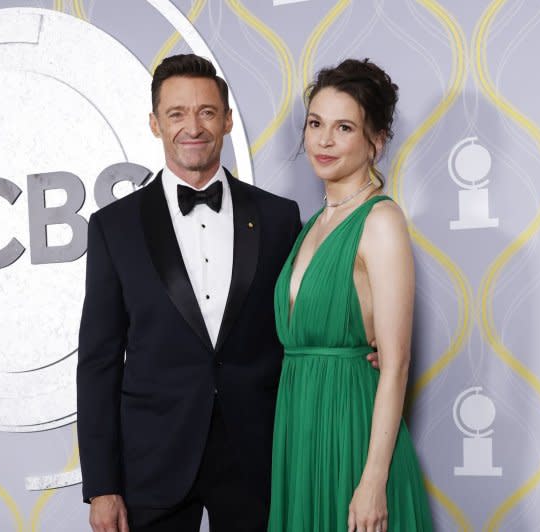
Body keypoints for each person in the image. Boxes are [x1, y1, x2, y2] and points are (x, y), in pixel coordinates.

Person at [77, 54, 302, 532]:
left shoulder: (280, 218)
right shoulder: (113, 228)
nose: (193, 127)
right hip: (152, 463)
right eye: (176, 113)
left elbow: (297, 325)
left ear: (227, 119)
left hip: (256, 458)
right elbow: (97, 362)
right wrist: (102, 485)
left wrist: (362, 345)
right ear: (155, 124)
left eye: (206, 111)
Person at [267, 58, 434, 532]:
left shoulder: (380, 222)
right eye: (316, 124)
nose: (323, 140)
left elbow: (396, 362)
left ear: (375, 141)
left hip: (352, 431)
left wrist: (373, 480)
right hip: (300, 430)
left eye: (343, 127)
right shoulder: (312, 226)